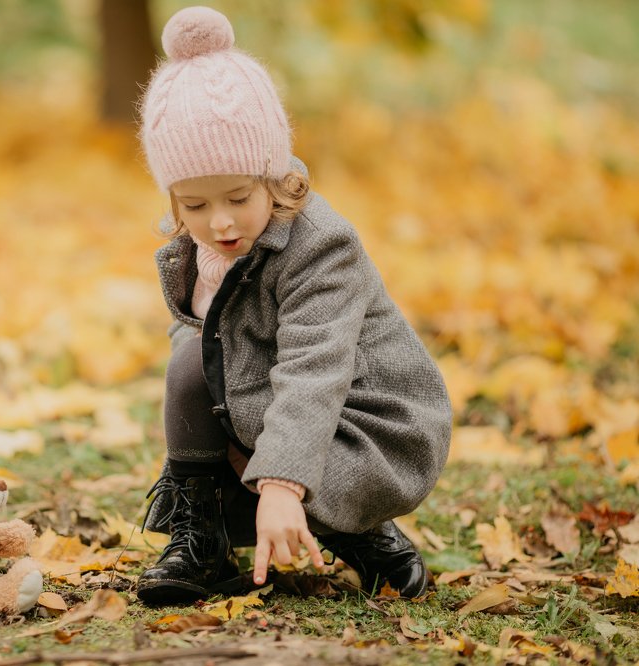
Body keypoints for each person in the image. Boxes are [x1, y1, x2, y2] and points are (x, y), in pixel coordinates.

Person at [135, 6, 452, 605]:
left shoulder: (322, 246)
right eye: (195, 206)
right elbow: (218, 358)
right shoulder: (204, 246)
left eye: (237, 196)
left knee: (282, 424)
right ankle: (200, 534)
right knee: (188, 357)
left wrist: (282, 483)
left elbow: (315, 367)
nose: (219, 221)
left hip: (361, 411)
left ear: (273, 177)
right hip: (262, 399)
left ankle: (354, 525)